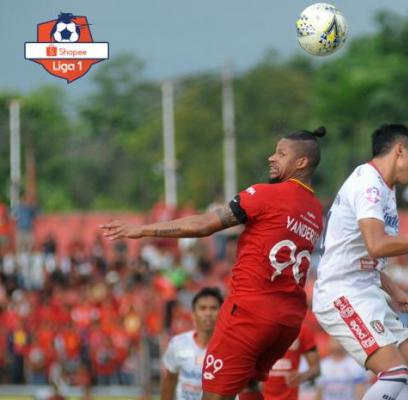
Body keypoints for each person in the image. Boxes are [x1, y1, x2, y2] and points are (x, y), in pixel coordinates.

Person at [101, 127, 326, 400]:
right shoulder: (315, 210)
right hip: (288, 321)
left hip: (250, 313)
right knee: (250, 385)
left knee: (214, 395)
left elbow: (203, 225)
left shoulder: (266, 195)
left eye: (281, 153)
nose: (271, 158)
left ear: (301, 162)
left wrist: (143, 230)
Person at [313, 123, 408, 400]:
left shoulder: (385, 188)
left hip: (365, 290)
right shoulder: (368, 185)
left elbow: (366, 255)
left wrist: (395, 290)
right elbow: (377, 245)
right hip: (341, 292)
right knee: (394, 373)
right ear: (400, 151)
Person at [161, 288, 223, 400]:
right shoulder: (178, 344)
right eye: (203, 308)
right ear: (193, 314)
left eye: (213, 308)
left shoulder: (229, 349)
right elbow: (169, 380)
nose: (208, 313)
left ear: (222, 313)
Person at [262, 323, 321, 400]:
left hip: (290, 396)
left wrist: (303, 376)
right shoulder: (261, 327)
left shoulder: (302, 329)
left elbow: (316, 369)